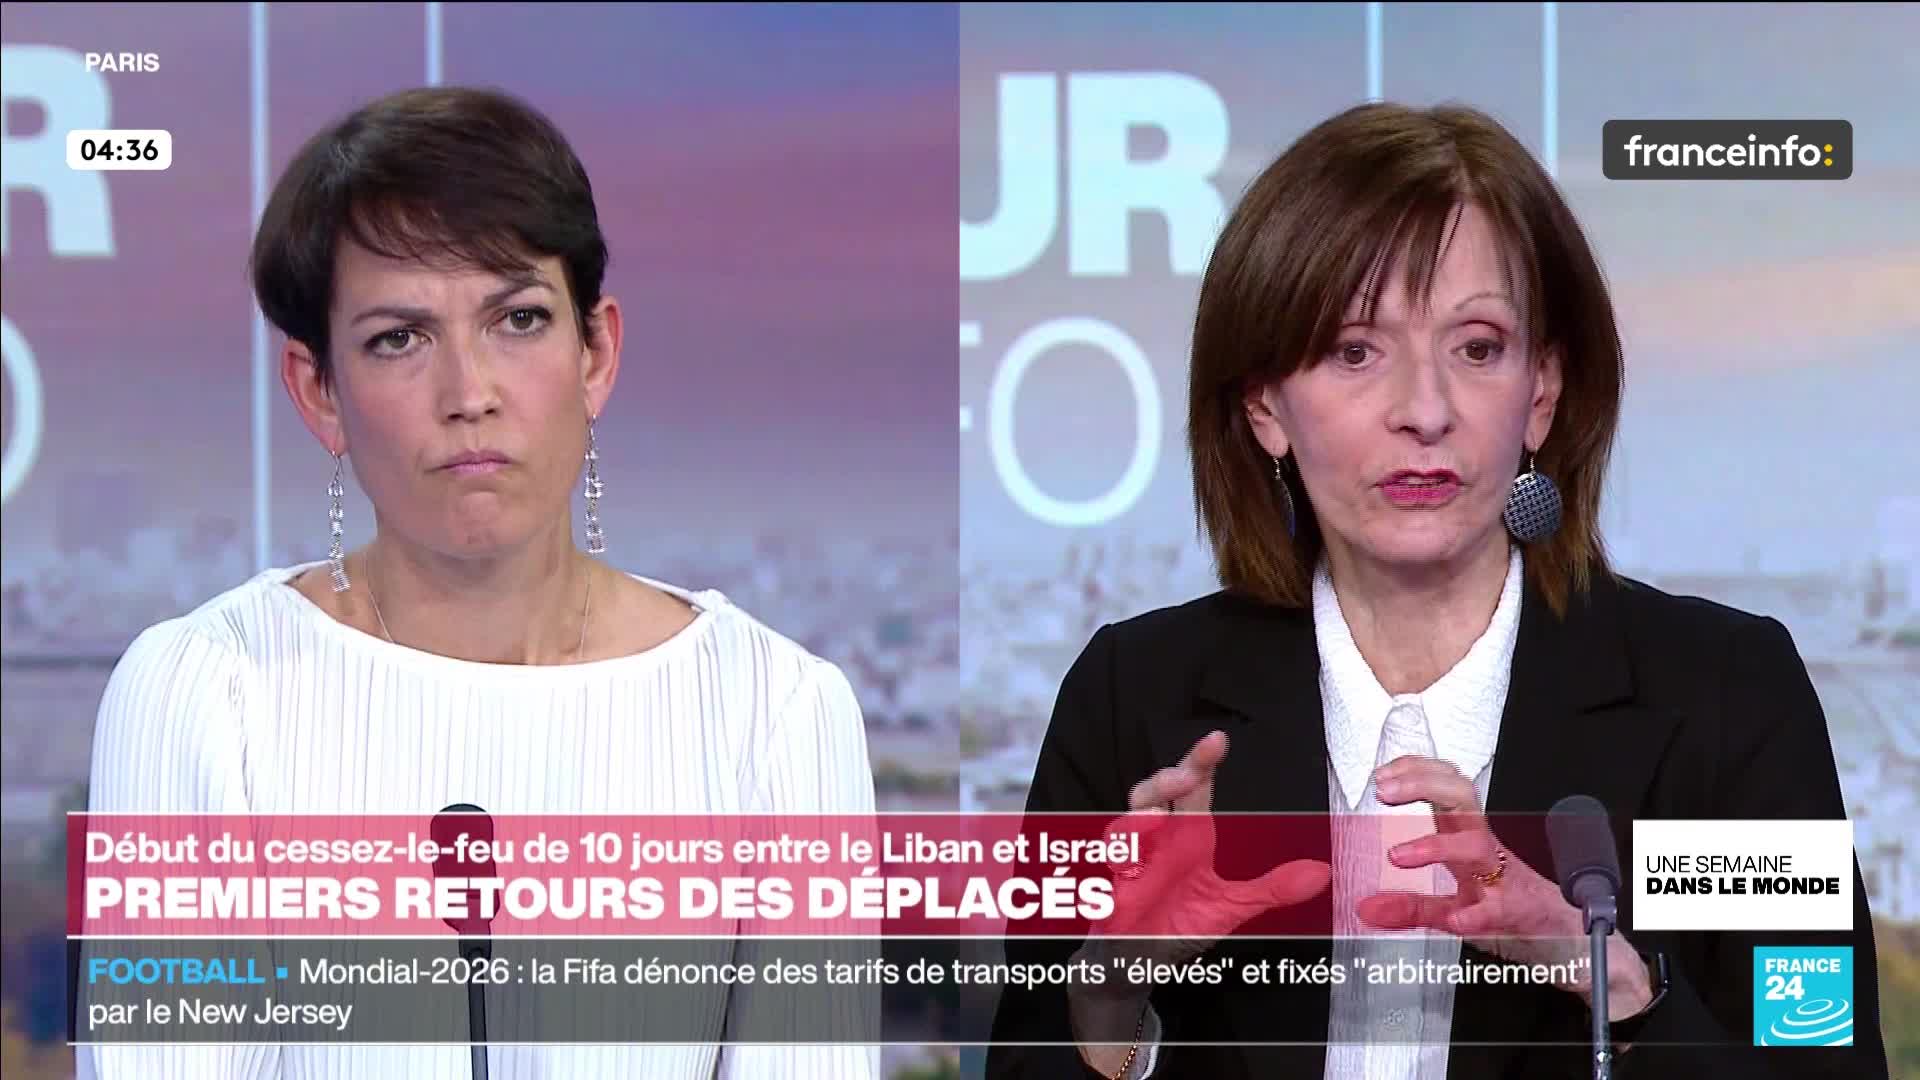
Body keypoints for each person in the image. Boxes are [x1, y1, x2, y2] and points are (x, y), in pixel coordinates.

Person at [985, 102, 1887, 1079]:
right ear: (1264, 407)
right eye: (1355, 351)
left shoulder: (1724, 698)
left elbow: (1824, 1066)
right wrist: (1112, 997)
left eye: (1478, 347)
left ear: (1541, 394)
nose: (1425, 411)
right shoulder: (1135, 699)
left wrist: (1615, 986)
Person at [79, 86, 878, 1079]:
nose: (469, 394)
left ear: (596, 353)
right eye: (399, 339)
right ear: (318, 391)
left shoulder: (774, 709)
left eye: (519, 319)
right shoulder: (206, 695)